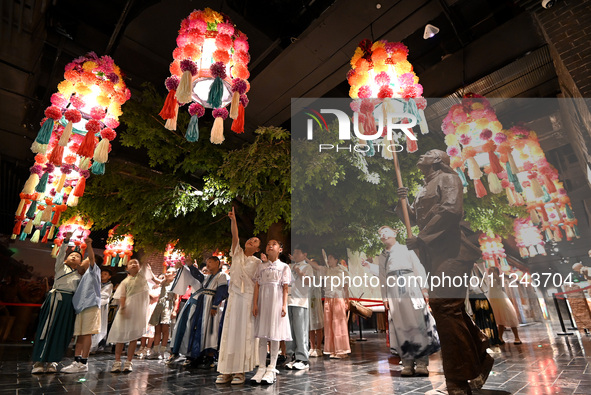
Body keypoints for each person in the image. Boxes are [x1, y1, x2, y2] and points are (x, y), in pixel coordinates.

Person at [397, 149, 493, 395]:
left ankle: (458, 381)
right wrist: (404, 206)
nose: (422, 155)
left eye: (428, 153)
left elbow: (450, 210)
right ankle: (480, 353)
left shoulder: (448, 179)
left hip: (453, 251)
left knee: (445, 307)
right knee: (451, 309)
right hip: (435, 254)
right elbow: (419, 218)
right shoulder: (424, 187)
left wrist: (421, 238)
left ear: (437, 160)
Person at [365, 226, 440, 376]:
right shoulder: (382, 256)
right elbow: (382, 278)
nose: (383, 234)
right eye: (380, 233)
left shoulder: (407, 249)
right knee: (400, 326)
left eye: (386, 231)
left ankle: (421, 363)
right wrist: (385, 296)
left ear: (394, 233)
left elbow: (418, 267)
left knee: (417, 323)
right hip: (393, 292)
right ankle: (407, 362)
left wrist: (424, 289)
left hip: (411, 287)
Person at [216, 207, 262, 384]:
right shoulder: (237, 253)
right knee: (231, 331)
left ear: (257, 249)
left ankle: (240, 372)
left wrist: (256, 304)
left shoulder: (258, 263)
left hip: (248, 299)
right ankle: (226, 370)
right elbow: (235, 237)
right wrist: (233, 220)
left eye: (255, 241)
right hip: (234, 297)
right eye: (251, 239)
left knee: (244, 333)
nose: (251, 241)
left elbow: (257, 284)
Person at [31, 232, 82, 374]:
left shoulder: (79, 276)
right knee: (46, 329)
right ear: (66, 259)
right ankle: (38, 361)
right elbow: (60, 254)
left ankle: (53, 361)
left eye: (77, 256)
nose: (74, 256)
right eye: (72, 255)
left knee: (61, 331)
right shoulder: (60, 267)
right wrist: (66, 240)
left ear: (80, 263)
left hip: (68, 304)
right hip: (55, 300)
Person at [169, 256, 229, 368]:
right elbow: (198, 276)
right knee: (200, 328)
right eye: (207, 263)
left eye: (210, 262)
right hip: (202, 304)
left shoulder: (222, 276)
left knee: (211, 330)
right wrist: (190, 266)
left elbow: (221, 291)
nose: (208, 265)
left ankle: (210, 357)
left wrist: (215, 305)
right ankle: (198, 355)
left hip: (211, 304)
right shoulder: (208, 277)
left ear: (217, 263)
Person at [107, 258, 159, 373]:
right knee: (120, 337)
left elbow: (146, 264)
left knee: (133, 338)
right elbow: (122, 296)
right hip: (126, 310)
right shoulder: (125, 281)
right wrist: (124, 307)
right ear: (127, 268)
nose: (134, 264)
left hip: (138, 312)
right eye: (131, 263)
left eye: (136, 262)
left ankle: (128, 362)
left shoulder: (142, 277)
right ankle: (117, 361)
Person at [251, 240, 291, 385]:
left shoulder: (284, 267)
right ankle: (261, 367)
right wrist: (255, 304)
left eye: (274, 244)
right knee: (262, 336)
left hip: (276, 302)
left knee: (274, 335)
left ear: (280, 249)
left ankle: (271, 367)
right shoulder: (261, 266)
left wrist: (284, 305)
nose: (270, 246)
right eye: (268, 244)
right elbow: (257, 285)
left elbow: (285, 287)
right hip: (263, 302)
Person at [62, 238, 99, 373]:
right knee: (79, 334)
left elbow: (92, 257)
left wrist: (89, 244)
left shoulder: (93, 270)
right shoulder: (80, 275)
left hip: (91, 306)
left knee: (86, 334)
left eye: (83, 259)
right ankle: (76, 361)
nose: (82, 261)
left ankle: (84, 362)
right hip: (80, 307)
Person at [309, 252, 351, 359]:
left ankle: (341, 351)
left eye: (331, 258)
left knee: (338, 324)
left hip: (338, 298)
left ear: (336, 259)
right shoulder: (326, 270)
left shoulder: (342, 270)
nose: (328, 260)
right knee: (329, 325)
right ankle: (332, 350)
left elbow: (346, 287)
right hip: (328, 299)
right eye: (328, 258)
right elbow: (316, 266)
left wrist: (347, 300)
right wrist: (306, 259)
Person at [285, 246, 313, 370]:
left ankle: (303, 359)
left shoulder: (307, 267)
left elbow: (309, 283)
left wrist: (300, 272)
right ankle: (291, 356)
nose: (295, 255)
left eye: (297, 252)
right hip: (288, 301)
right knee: (289, 331)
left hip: (300, 301)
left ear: (304, 254)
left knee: (300, 330)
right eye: (294, 253)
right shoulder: (289, 267)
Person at [148, 267, 179, 360]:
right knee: (157, 330)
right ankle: (155, 351)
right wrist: (150, 270)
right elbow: (155, 280)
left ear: (174, 274)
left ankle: (162, 351)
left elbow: (176, 298)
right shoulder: (164, 282)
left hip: (167, 307)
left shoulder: (175, 284)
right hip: (159, 306)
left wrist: (174, 310)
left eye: (169, 272)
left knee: (165, 330)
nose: (167, 273)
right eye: (167, 271)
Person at [486, 267, 522, 345]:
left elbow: (498, 283)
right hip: (493, 301)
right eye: (490, 271)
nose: (490, 272)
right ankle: (500, 338)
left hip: (501, 299)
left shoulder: (499, 279)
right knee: (499, 320)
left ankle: (517, 337)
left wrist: (494, 274)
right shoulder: (490, 280)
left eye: (492, 271)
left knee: (509, 317)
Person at [91, 265, 114, 352]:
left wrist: (96, 295)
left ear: (109, 276)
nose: (102, 275)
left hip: (102, 306)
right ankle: (90, 346)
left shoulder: (109, 285)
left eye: (105, 274)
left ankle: (96, 345)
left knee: (100, 325)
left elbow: (105, 295)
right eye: (101, 273)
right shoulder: (96, 282)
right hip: (94, 305)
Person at [308, 258, 324, 358]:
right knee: (310, 326)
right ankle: (312, 347)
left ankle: (318, 348)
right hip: (309, 300)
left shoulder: (319, 272)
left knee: (318, 326)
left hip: (316, 299)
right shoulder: (308, 274)